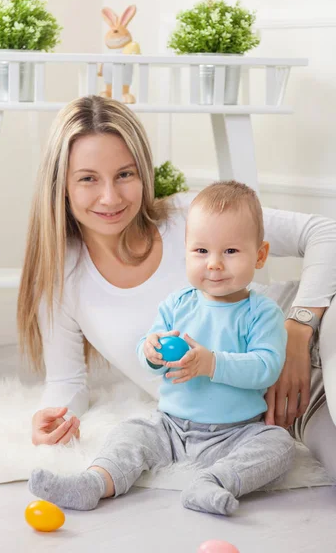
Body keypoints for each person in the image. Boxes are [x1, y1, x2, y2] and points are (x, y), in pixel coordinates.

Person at [17, 95, 336, 481]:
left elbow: (325, 232)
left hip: (318, 332)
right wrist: (52, 417)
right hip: (280, 407)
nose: (110, 197)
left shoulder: (189, 216)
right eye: (88, 178)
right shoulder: (61, 278)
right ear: (61, 185)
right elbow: (66, 381)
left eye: (125, 174)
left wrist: (299, 330)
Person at [28, 181, 296, 516]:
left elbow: (265, 367)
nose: (213, 263)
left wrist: (211, 363)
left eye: (230, 252)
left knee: (279, 446)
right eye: (201, 251)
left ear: (259, 255)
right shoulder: (176, 304)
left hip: (236, 431)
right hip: (171, 425)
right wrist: (150, 352)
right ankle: (94, 482)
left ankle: (215, 481)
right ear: (185, 250)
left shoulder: (262, 312)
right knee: (129, 433)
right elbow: (148, 347)